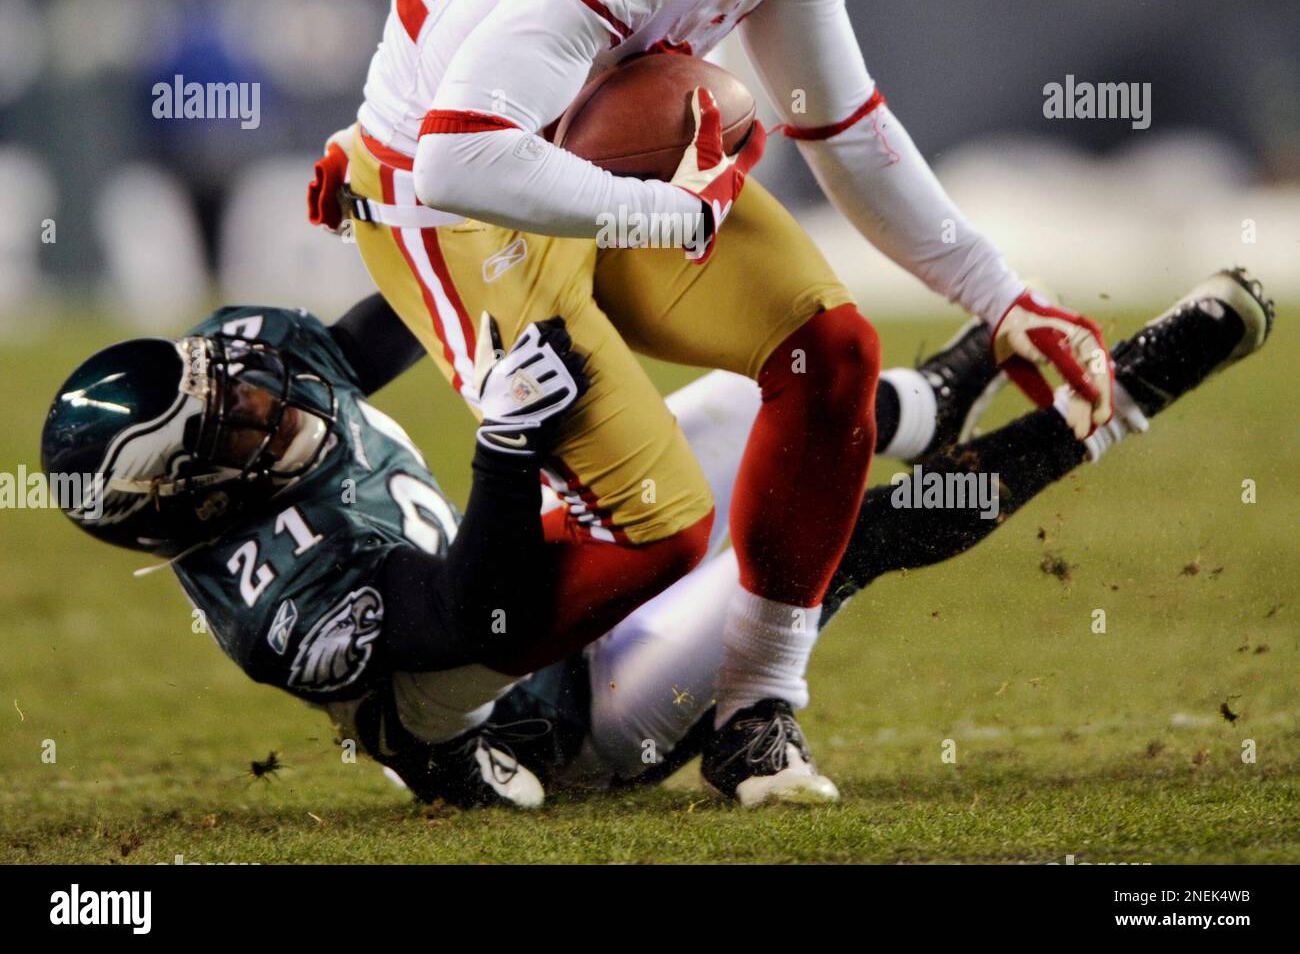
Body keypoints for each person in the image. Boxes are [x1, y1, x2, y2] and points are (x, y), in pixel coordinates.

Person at [312, 0, 1113, 803]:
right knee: (658, 531)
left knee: (829, 352)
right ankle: (413, 700)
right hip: (449, 193)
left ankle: (757, 712)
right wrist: (658, 215)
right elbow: (459, 159)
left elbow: (834, 117)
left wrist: (1002, 298)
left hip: (591, 151)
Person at [42, 268, 1271, 807]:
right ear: (197, 498)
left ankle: (939, 387)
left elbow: (406, 307)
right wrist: (508, 447)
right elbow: (489, 613)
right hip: (558, 710)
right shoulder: (286, 607)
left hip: (536, 565)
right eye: (236, 416)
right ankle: (1122, 401)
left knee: (755, 398)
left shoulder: (265, 386)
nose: (262, 389)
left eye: (235, 382)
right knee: (829, 541)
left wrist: (488, 177)